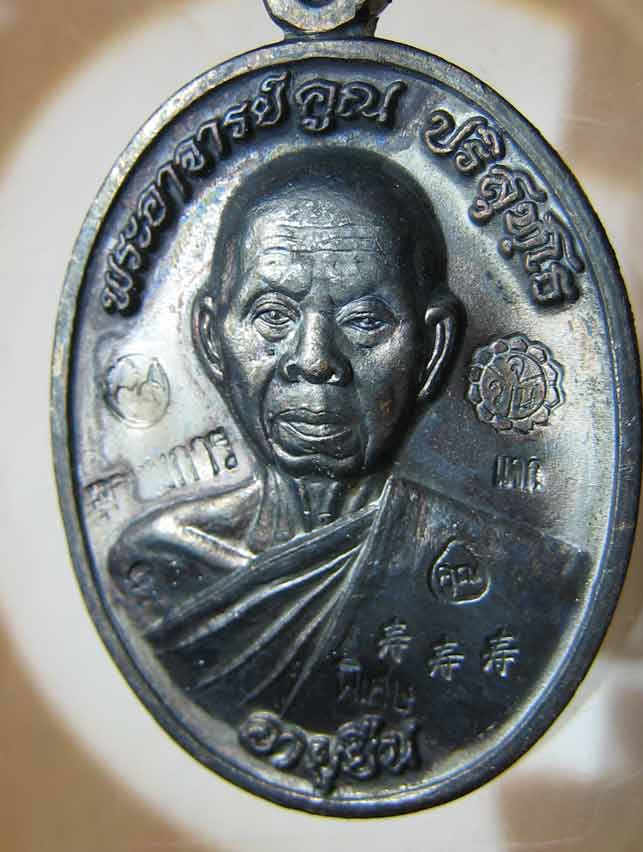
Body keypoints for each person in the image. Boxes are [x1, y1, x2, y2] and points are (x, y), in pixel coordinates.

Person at [109, 149, 588, 763]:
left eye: (364, 320)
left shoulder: (526, 585)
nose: (314, 359)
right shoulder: (157, 567)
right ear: (210, 335)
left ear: (432, 348)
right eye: (273, 315)